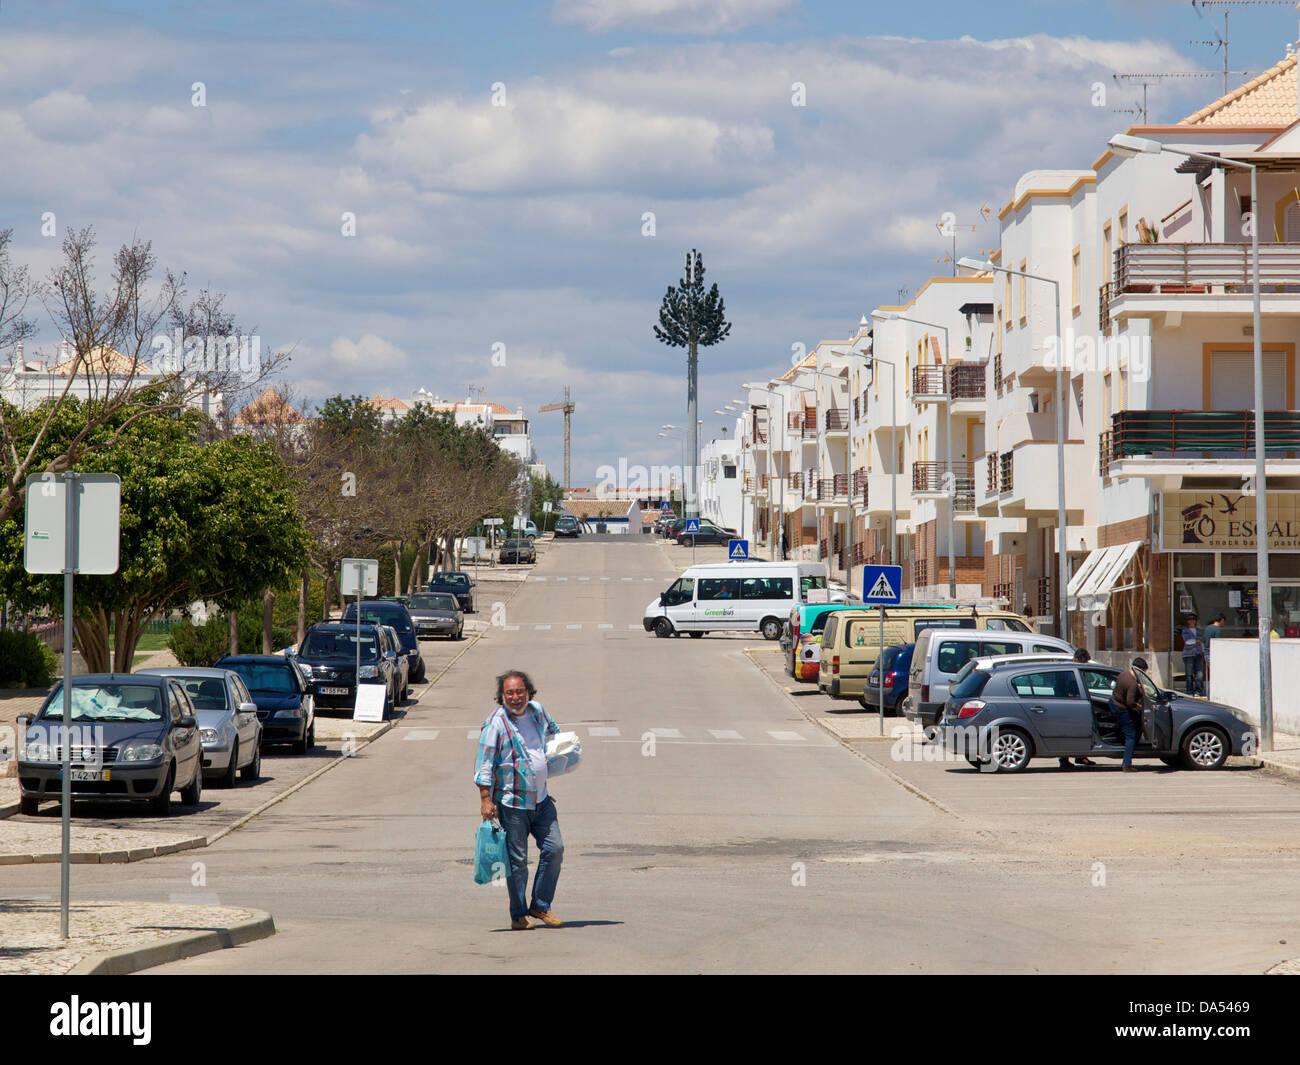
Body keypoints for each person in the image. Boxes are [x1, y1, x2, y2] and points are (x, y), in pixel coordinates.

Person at [474, 670, 565, 930]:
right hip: (512, 803)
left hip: (542, 799)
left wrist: (562, 753)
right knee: (518, 861)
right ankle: (518, 914)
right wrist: (485, 800)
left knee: (554, 849)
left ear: (528, 692)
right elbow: (484, 764)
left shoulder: (537, 711)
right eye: (510, 693)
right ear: (502, 696)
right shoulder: (496, 723)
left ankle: (540, 905)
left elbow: (555, 734)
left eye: (520, 692)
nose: (516, 697)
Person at [1059, 648, 1097, 770]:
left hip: (1071, 704)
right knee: (1070, 733)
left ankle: (1080, 756)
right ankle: (1064, 759)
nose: (1085, 664)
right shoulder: (1070, 670)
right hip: (1069, 705)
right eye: (1084, 661)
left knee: (1082, 731)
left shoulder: (1070, 667)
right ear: (1078, 659)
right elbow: (1070, 689)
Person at [1111, 656, 1147, 772]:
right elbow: (1130, 702)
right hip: (1122, 708)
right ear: (1140, 670)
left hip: (1114, 703)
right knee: (1131, 735)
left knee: (1126, 728)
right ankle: (1127, 764)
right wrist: (1140, 707)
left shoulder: (1123, 674)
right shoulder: (1132, 684)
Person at [1180, 615, 1205, 696]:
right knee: (1189, 674)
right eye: (1190, 619)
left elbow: (1202, 641)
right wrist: (1197, 640)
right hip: (1188, 654)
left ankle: (1199, 691)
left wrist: (1201, 647)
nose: (1192, 621)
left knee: (1199, 673)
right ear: (1188, 621)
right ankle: (1189, 691)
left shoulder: (1199, 630)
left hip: (1198, 653)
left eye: (1193, 619)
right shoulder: (1185, 631)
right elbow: (1187, 641)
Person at [1204, 613, 1225, 687]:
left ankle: (1208, 694)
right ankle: (1212, 694)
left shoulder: (1208, 628)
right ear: (1222, 620)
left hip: (1206, 653)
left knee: (1210, 675)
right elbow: (1217, 643)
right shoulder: (1217, 629)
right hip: (1213, 654)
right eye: (1223, 621)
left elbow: (1204, 641)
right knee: (1215, 676)